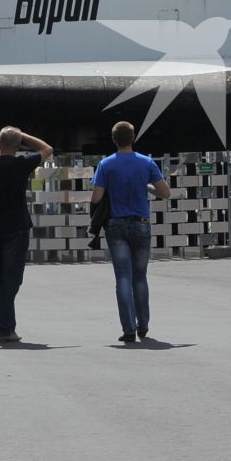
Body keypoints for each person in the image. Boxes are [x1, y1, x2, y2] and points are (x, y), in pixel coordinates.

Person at [90, 121, 173, 345]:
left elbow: (97, 197)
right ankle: (143, 324)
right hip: (141, 223)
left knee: (123, 278)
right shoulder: (146, 163)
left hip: (116, 225)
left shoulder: (105, 164)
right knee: (140, 276)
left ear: (114, 139)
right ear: (133, 137)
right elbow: (165, 193)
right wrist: (147, 187)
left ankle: (128, 329)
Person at [0, 126, 53, 344]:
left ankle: (8, 328)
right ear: (18, 147)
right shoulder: (22, 163)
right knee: (12, 280)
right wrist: (23, 135)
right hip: (17, 228)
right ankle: (3, 329)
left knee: (1, 278)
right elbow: (47, 148)